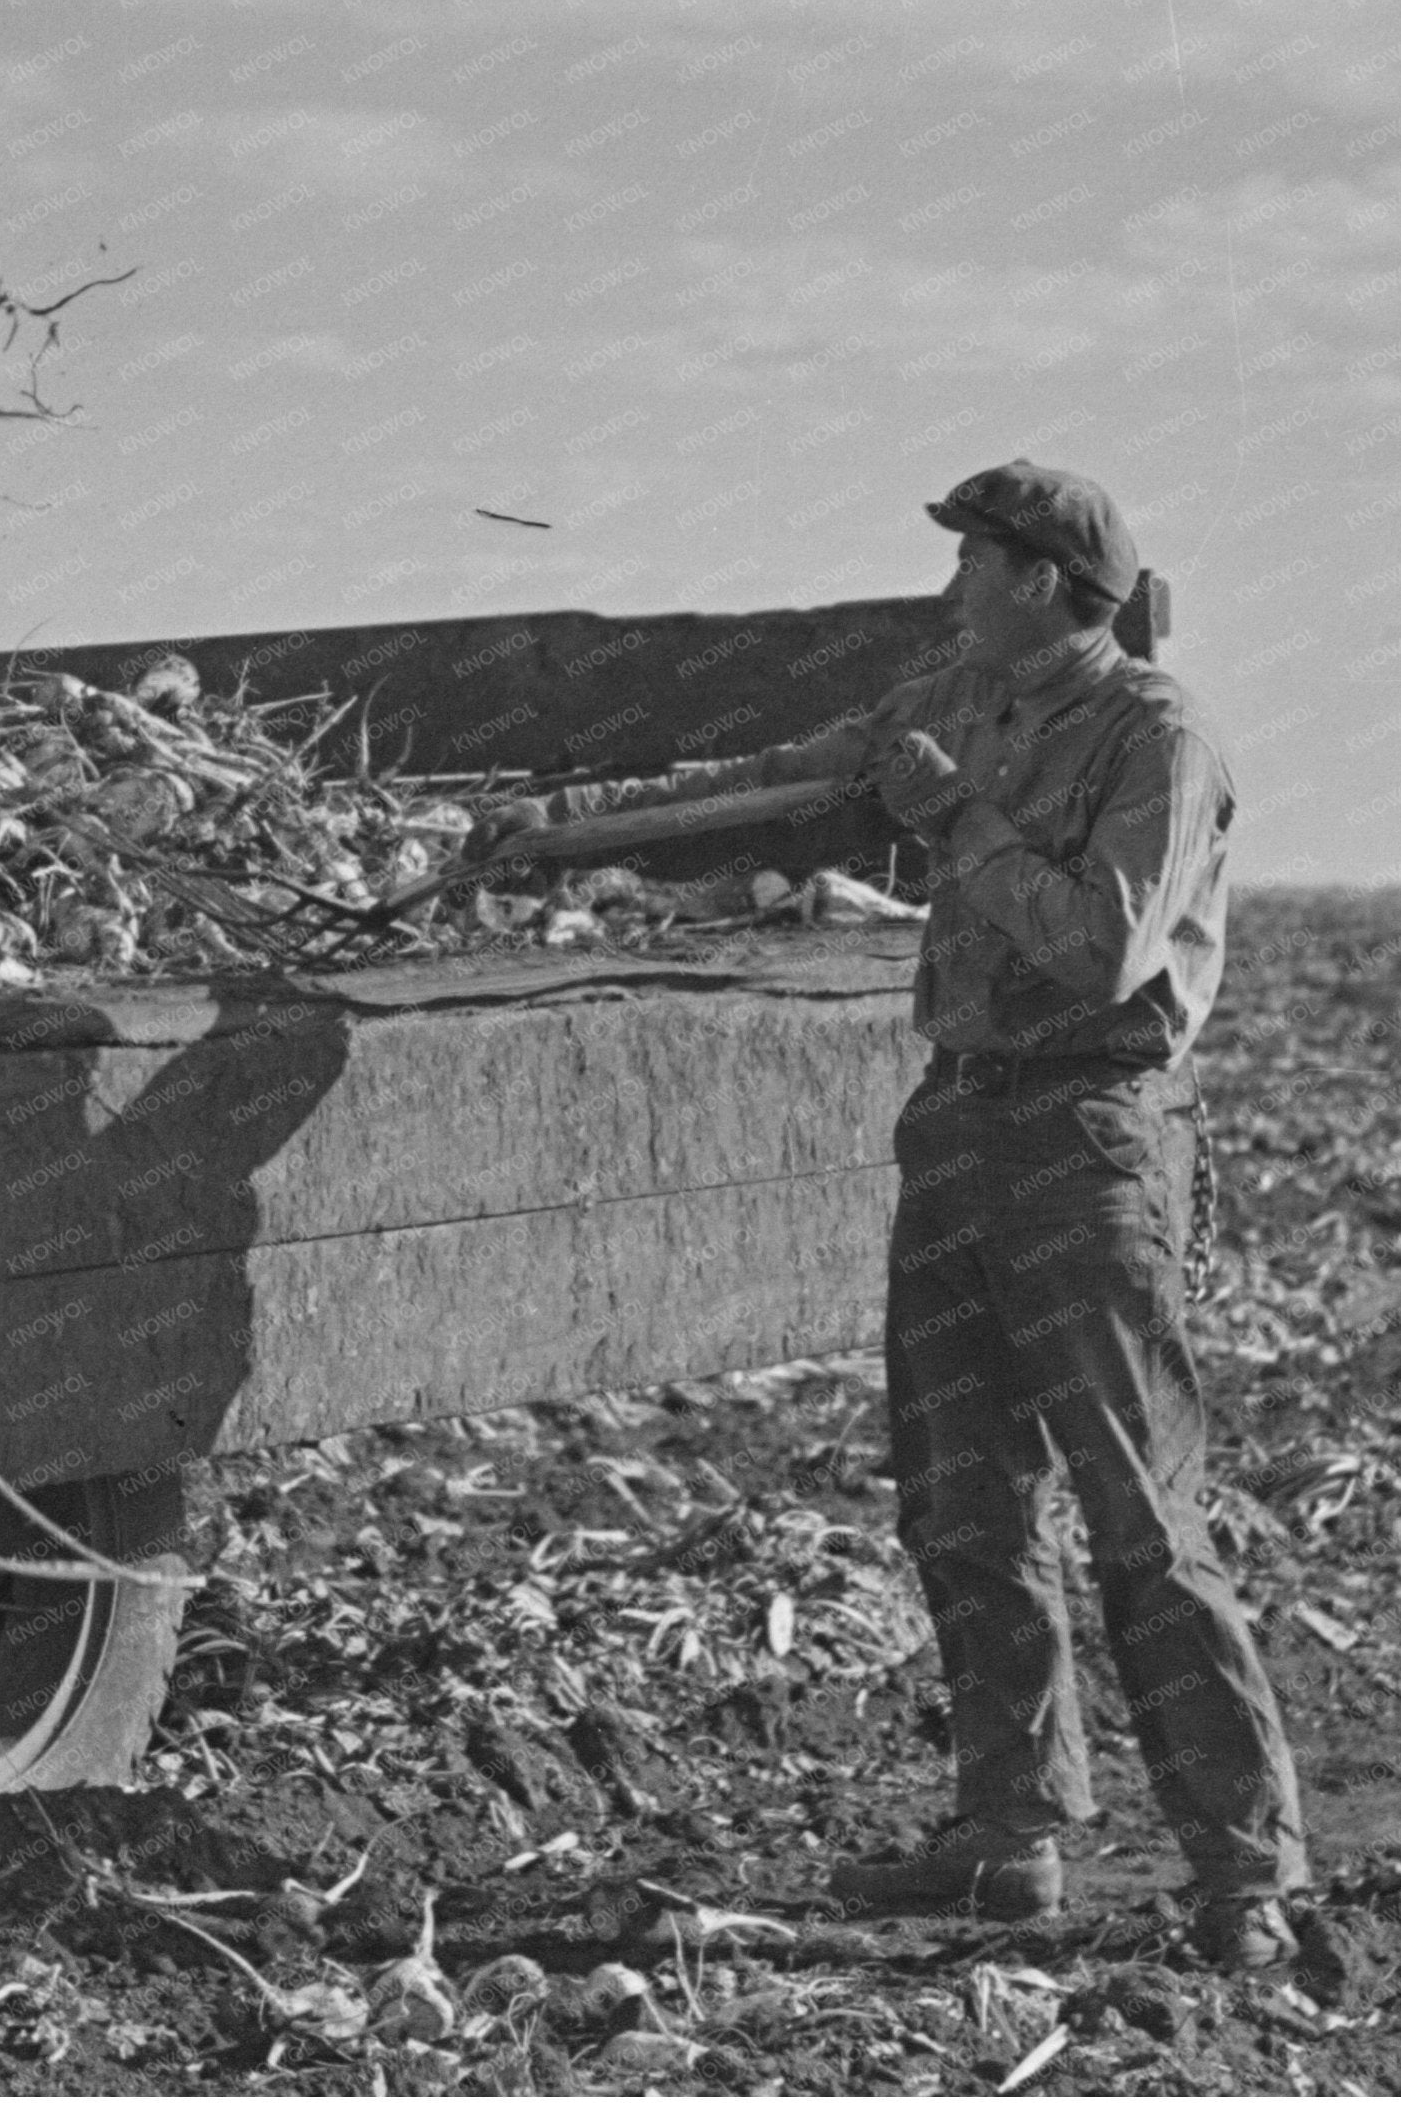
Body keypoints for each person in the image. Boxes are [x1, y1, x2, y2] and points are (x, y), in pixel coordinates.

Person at [470, 461, 1308, 1971]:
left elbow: (1103, 952)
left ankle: (1247, 1877)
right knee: (963, 1505)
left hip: (1088, 1136)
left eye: (972, 565)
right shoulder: (951, 702)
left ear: (1045, 583)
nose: (948, 591)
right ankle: (1008, 1842)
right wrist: (546, 825)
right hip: (962, 1123)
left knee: (1137, 1518)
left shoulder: (1155, 739)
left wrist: (959, 824)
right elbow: (762, 783)